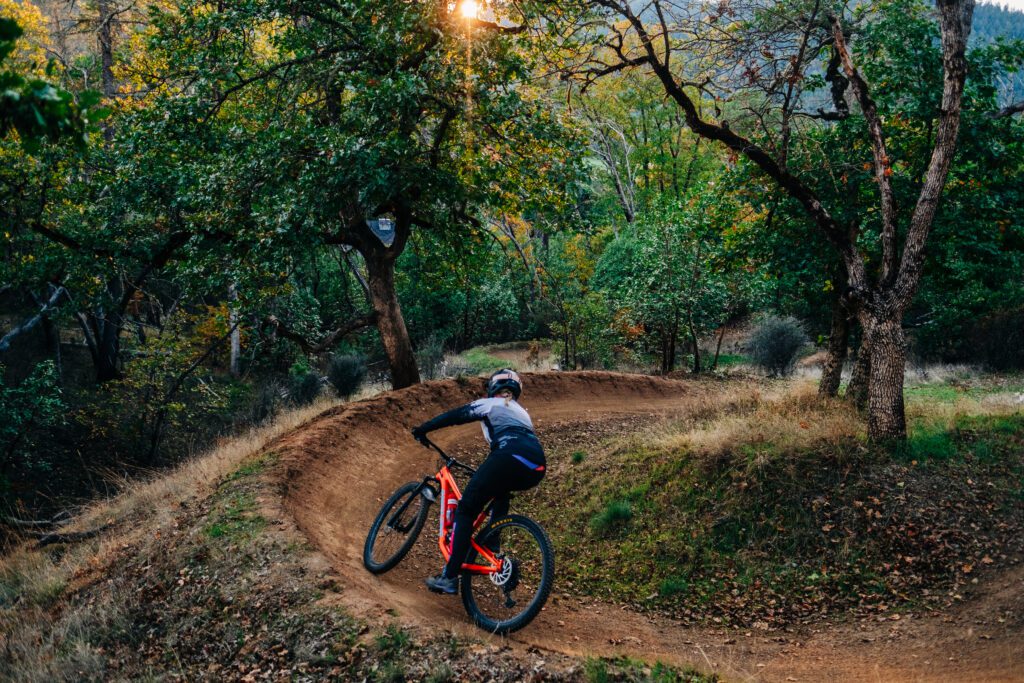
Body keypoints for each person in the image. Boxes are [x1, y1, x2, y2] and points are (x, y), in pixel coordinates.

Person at [411, 368, 546, 595]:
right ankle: (493, 541)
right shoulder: (523, 413)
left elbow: (455, 416)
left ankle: (449, 577)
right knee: (500, 492)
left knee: (465, 510)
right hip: (537, 466)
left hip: (506, 456)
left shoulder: (490, 403)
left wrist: (424, 429)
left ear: (493, 387)